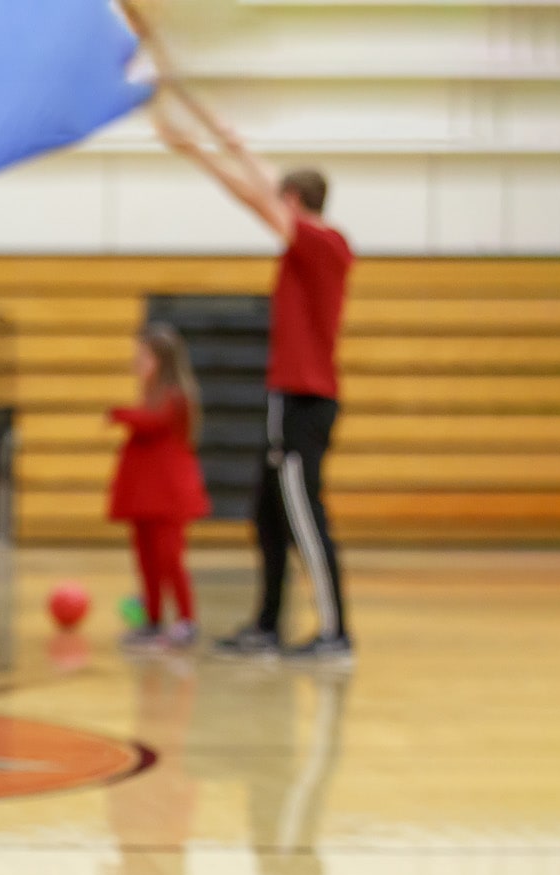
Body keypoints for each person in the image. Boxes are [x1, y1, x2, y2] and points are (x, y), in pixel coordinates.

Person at [148, 62, 354, 665]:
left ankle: (335, 633)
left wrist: (199, 148)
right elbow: (258, 179)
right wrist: (212, 136)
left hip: (303, 399)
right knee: (267, 516)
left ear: (294, 202)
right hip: (284, 398)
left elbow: (252, 191)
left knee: (305, 518)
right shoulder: (310, 247)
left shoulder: (322, 244)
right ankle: (268, 624)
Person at [109, 323, 210, 648]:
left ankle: (186, 620)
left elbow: (153, 423)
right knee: (146, 561)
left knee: (170, 559)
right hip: (145, 498)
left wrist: (122, 414)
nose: (137, 362)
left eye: (143, 356)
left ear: (162, 361)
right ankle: (152, 621)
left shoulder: (176, 398)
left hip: (168, 498)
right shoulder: (150, 397)